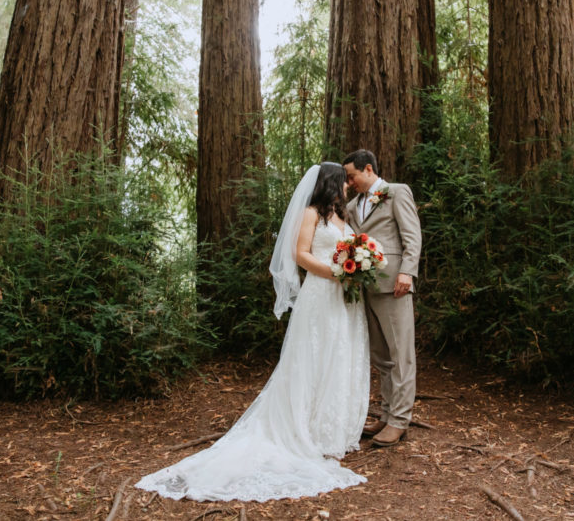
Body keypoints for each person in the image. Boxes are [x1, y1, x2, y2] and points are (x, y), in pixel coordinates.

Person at [136, 163, 370, 501]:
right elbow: (300, 255)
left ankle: (330, 432)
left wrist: (357, 268)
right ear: (331, 183)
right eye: (343, 182)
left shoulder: (340, 218)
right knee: (314, 359)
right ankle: (306, 433)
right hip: (320, 294)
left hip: (344, 300)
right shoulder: (310, 214)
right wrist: (335, 272)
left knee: (339, 357)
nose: (347, 187)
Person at [343, 149, 422, 448]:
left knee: (401, 355)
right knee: (381, 356)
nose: (350, 183)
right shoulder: (352, 206)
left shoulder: (397, 193)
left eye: (352, 176)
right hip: (365, 287)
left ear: (368, 169)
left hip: (394, 284)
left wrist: (407, 272)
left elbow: (412, 236)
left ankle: (401, 421)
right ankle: (387, 414)